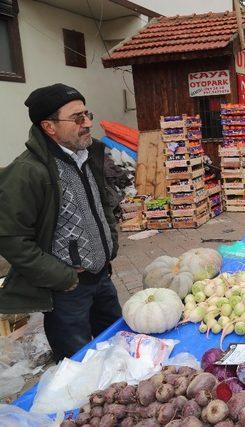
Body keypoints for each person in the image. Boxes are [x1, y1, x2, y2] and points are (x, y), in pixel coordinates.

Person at [0, 83, 121, 362]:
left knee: (118, 346)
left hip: (102, 278)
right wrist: (62, 277)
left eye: (87, 114)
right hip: (68, 292)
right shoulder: (28, 172)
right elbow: (11, 239)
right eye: (77, 118)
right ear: (49, 127)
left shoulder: (88, 155)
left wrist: (109, 244)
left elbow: (102, 204)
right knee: (78, 364)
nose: (88, 123)